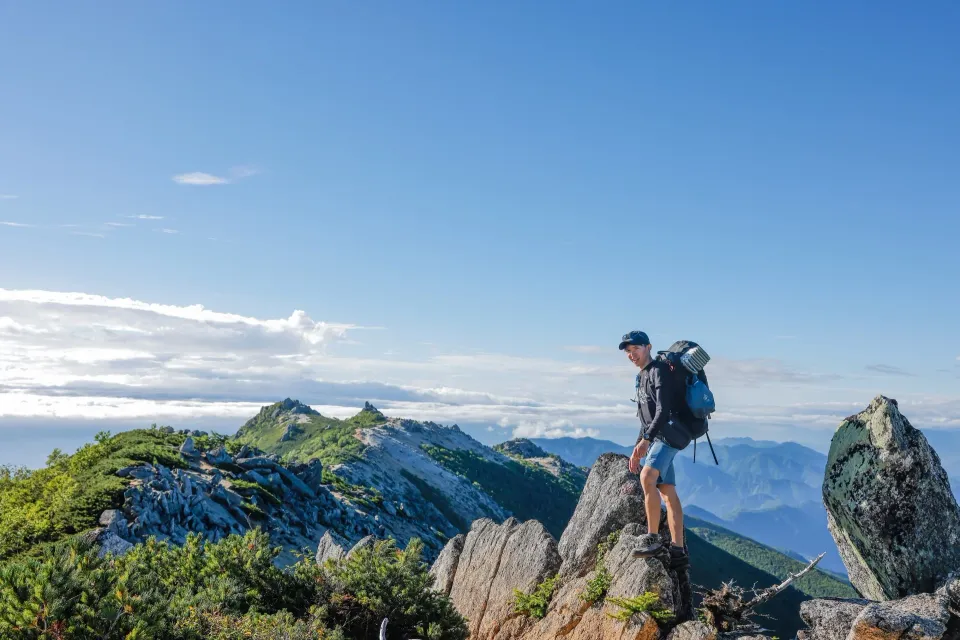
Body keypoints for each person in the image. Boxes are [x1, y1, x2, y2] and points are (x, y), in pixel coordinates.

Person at [618, 330, 689, 567]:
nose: (631, 354)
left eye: (635, 349)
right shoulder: (641, 376)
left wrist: (647, 439)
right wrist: (638, 446)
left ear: (648, 347)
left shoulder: (658, 371)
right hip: (656, 437)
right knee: (667, 491)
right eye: (628, 351)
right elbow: (644, 417)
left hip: (668, 436)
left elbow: (663, 410)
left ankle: (653, 539)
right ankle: (678, 551)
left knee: (647, 477)